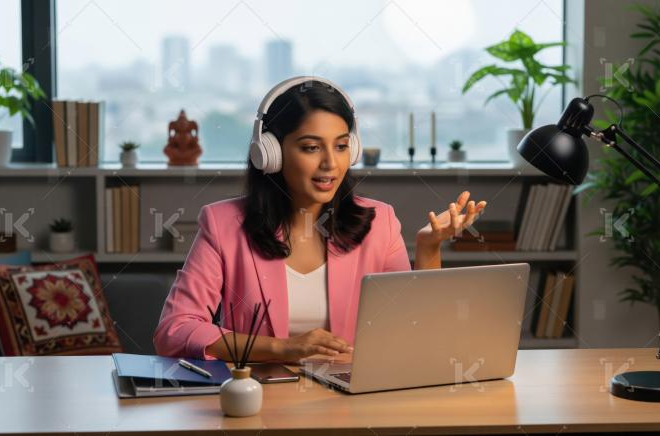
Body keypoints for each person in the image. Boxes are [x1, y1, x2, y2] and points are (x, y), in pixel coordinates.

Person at [153, 76, 486, 363]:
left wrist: (428, 248)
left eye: (341, 146)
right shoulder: (223, 224)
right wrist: (282, 348)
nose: (331, 163)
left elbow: (416, 332)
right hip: (262, 401)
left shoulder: (380, 222)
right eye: (311, 148)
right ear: (270, 153)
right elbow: (174, 330)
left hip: (353, 402)